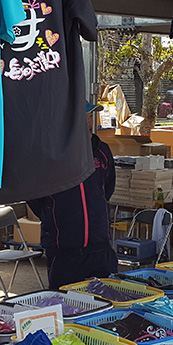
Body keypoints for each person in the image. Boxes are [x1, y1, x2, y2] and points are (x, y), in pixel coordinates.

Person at [25, 103, 119, 289]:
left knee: (106, 301)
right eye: (83, 119)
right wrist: (52, 213)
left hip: (99, 245)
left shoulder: (102, 151)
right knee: (65, 304)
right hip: (63, 249)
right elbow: (33, 193)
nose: (90, 123)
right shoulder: (49, 154)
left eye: (91, 117)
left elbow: (107, 188)